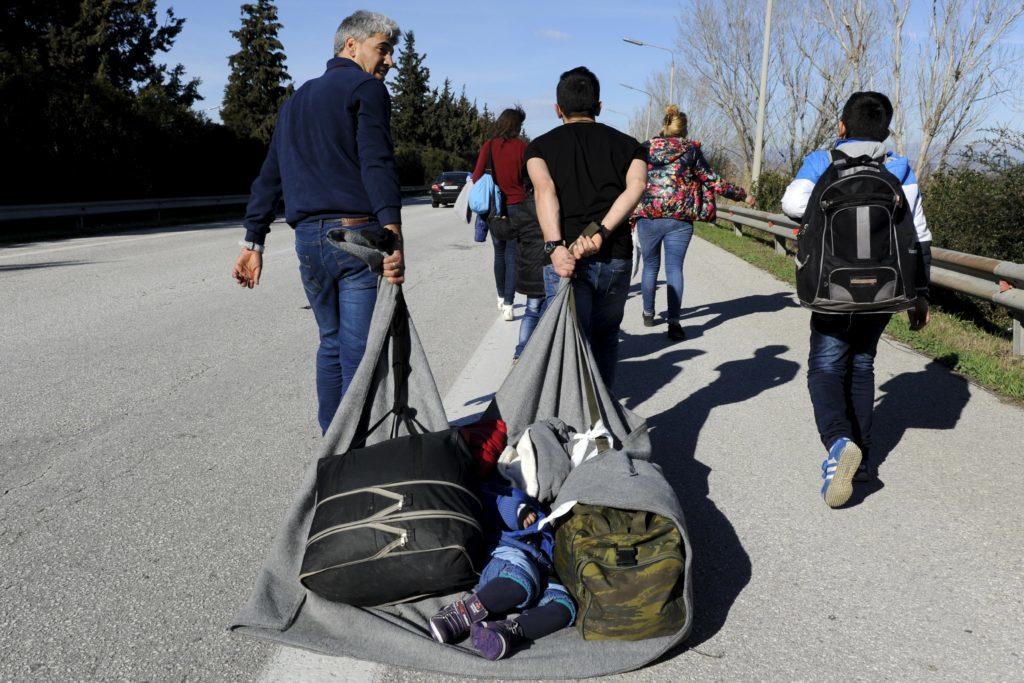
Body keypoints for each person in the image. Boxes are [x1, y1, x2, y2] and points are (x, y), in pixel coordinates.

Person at [231, 10, 406, 435]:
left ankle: (332, 440)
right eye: (383, 49)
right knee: (360, 353)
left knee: (331, 343)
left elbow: (270, 175)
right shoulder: (367, 89)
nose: (389, 61)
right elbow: (377, 162)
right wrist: (394, 232)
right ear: (352, 45)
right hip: (356, 236)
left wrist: (252, 242)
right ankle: (354, 451)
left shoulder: (295, 101)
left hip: (308, 240)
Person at [781, 91, 932, 508]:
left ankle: (838, 442)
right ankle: (863, 463)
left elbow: (792, 205)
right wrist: (920, 294)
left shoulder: (823, 160)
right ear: (886, 130)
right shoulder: (898, 166)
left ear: (842, 127)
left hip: (832, 285)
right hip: (886, 287)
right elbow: (919, 234)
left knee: (825, 368)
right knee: (862, 364)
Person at [526, 67, 648, 388]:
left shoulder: (538, 148)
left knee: (568, 343)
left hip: (566, 261)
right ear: (599, 106)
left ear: (558, 109)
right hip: (615, 257)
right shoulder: (631, 146)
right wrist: (603, 232)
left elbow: (545, 190)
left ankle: (572, 420)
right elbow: (635, 188)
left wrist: (555, 247)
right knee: (606, 338)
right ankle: (600, 418)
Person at [631, 105, 754, 340]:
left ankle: (648, 314)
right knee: (674, 268)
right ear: (684, 129)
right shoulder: (691, 151)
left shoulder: (644, 148)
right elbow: (713, 181)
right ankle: (674, 323)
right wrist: (742, 195)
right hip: (679, 219)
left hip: (648, 216)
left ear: (664, 125)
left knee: (650, 266)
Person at [429, 481, 576, 660]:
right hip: (507, 555)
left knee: (565, 606)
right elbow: (494, 501)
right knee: (523, 575)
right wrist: (518, 511)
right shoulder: (510, 489)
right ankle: (464, 613)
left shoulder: (551, 516)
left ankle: (509, 632)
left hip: (542, 569)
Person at [472, 107, 528, 322]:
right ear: (515, 125)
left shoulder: (489, 145)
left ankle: (500, 295)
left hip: (495, 207)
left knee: (498, 253)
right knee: (512, 255)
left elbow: (477, 176)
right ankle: (509, 305)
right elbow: (527, 178)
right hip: (517, 205)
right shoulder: (523, 147)